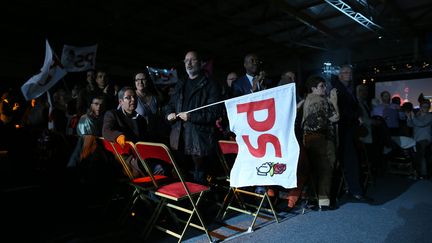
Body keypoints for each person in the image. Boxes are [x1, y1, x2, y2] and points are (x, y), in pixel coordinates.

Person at [164, 50, 222, 184]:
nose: (188, 63)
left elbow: (215, 112)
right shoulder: (180, 83)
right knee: (182, 178)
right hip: (179, 140)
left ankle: (201, 204)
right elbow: (170, 104)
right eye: (186, 60)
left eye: (192, 60)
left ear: (201, 63)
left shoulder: (210, 84)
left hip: (199, 141)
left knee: (199, 180)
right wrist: (168, 114)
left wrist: (191, 116)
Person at [103, 86, 162, 178]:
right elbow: (106, 131)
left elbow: (146, 139)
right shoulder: (113, 114)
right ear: (121, 102)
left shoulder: (140, 119)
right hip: (124, 158)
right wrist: (118, 136)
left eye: (134, 97)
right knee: (158, 169)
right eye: (128, 97)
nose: (133, 99)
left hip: (141, 155)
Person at [332, 65, 371, 202]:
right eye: (346, 72)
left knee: (353, 160)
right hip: (343, 130)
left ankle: (354, 189)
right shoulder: (337, 88)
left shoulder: (350, 88)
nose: (349, 74)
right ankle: (355, 191)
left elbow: (354, 107)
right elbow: (341, 110)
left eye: (350, 72)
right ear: (340, 75)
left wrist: (358, 116)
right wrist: (356, 116)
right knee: (350, 160)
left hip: (351, 129)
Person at [302, 75, 339, 210]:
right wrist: (334, 102)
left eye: (324, 86)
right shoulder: (320, 100)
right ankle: (324, 201)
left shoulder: (307, 100)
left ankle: (312, 199)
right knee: (326, 168)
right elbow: (335, 118)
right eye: (321, 86)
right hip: (321, 138)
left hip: (309, 138)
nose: (324, 89)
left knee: (313, 168)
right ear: (313, 88)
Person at [406, 99, 432, 179]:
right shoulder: (417, 116)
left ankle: (423, 174)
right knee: (417, 156)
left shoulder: (430, 116)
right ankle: (418, 172)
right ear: (420, 107)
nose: (425, 108)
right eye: (423, 106)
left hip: (425, 139)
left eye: (427, 106)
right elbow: (410, 125)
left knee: (421, 155)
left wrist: (413, 118)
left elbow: (421, 124)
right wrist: (409, 118)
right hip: (416, 139)